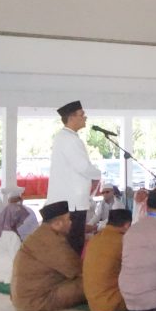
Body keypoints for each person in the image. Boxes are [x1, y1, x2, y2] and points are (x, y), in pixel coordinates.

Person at [10, 201, 87, 311]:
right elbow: (76, 269)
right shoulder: (51, 240)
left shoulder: (41, 234)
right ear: (57, 224)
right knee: (92, 282)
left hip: (23, 299)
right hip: (36, 300)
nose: (71, 223)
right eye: (68, 219)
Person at [47, 101, 102, 255]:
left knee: (70, 243)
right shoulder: (69, 139)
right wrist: (98, 174)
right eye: (81, 114)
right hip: (72, 202)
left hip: (69, 200)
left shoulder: (65, 137)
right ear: (71, 118)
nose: (85, 117)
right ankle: (71, 270)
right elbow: (83, 167)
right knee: (73, 244)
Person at [82, 208, 132, 311]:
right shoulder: (124, 241)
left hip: (92, 301)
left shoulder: (95, 239)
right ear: (127, 225)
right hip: (112, 301)